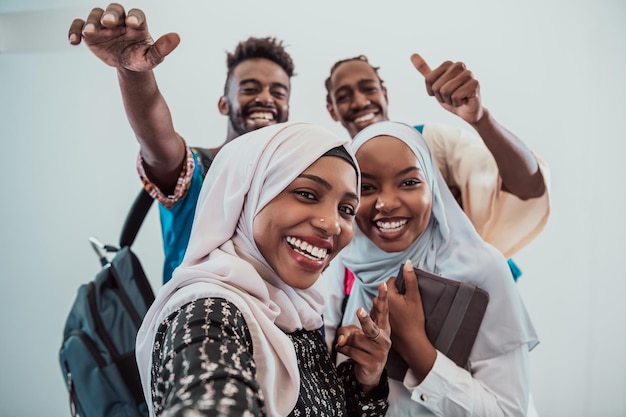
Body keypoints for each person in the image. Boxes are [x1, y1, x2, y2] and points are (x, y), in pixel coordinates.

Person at [136, 122, 392, 417]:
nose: (333, 224)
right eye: (307, 194)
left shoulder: (293, 314)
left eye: (346, 210)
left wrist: (366, 380)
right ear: (247, 194)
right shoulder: (209, 314)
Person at [322, 121, 539, 416]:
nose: (385, 203)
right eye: (367, 187)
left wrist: (418, 350)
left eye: (409, 182)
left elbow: (509, 412)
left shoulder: (480, 268)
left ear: (433, 187)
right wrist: (367, 379)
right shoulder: (351, 262)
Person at [68, 4, 295, 282]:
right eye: (249, 88)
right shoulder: (195, 171)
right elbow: (156, 137)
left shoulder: (297, 181)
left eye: (278, 91)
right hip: (198, 320)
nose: (265, 98)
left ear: (287, 108)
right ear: (224, 104)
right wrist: (132, 72)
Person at [324, 54, 550, 278]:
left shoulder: (432, 142)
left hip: (467, 294)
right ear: (332, 110)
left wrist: (480, 119)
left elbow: (527, 188)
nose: (360, 102)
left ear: (384, 94)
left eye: (409, 182)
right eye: (343, 96)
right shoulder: (337, 171)